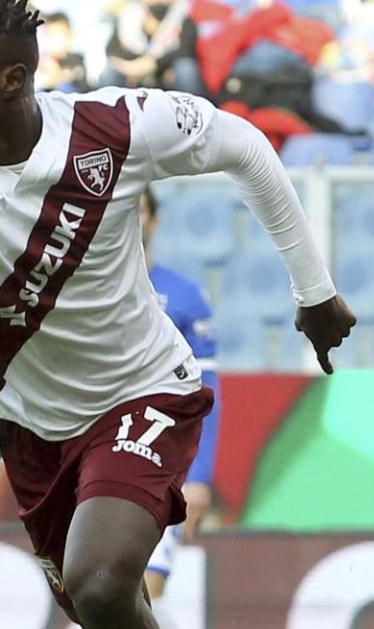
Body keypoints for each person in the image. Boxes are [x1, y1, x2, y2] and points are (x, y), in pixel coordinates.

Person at [0, 0, 357, 628]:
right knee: (104, 607)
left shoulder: (115, 128)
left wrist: (313, 291)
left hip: (142, 394)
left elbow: (243, 145)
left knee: (98, 584)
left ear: (11, 81)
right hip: (29, 427)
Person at [139, 189, 221, 627]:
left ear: (154, 221)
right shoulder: (80, 290)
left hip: (162, 462)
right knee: (97, 589)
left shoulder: (184, 297)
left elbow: (208, 390)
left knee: (144, 585)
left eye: (138, 210)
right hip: (93, 454)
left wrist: (200, 477)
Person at [100, 0, 203, 95]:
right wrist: (135, 67)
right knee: (111, 71)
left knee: (186, 69)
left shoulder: (184, 18)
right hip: (135, 83)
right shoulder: (129, 17)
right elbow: (112, 50)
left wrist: (152, 64)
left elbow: (185, 50)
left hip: (169, 86)